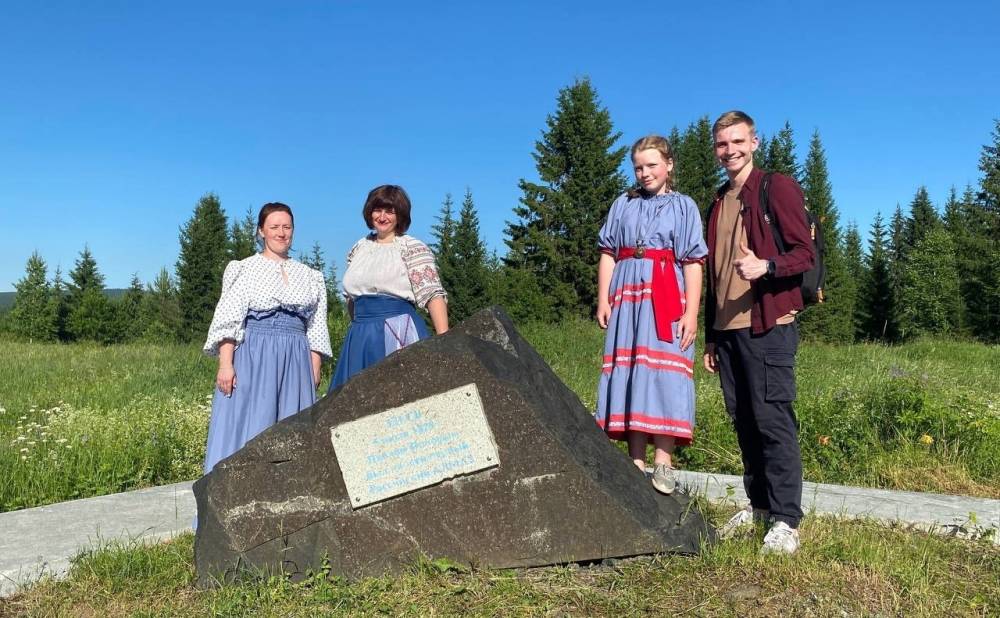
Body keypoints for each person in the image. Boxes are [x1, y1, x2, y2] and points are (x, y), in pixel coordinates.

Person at [703, 111, 815, 555]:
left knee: (773, 422)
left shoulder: (776, 187)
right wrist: (711, 334)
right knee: (745, 422)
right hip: (728, 329)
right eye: (721, 144)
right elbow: (712, 273)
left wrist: (767, 266)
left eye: (736, 142)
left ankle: (787, 519)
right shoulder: (718, 200)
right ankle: (760, 507)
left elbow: (804, 253)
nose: (729, 151)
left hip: (768, 323)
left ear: (753, 142)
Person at [594, 135, 707, 495]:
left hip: (666, 295)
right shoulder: (622, 204)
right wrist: (603, 298)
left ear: (669, 165)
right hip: (627, 296)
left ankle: (664, 463)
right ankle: (635, 462)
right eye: (639, 167)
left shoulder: (684, 206)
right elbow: (608, 252)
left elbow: (692, 261)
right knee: (631, 372)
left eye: (652, 165)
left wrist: (691, 311)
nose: (645, 173)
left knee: (664, 373)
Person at [202, 202, 332, 474]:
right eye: (274, 227)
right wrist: (226, 364)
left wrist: (314, 365)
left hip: (296, 356)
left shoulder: (310, 276)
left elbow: (317, 324)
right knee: (248, 425)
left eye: (287, 227)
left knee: (291, 428)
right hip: (255, 352)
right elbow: (230, 317)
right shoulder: (244, 268)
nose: (281, 233)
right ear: (261, 231)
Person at [328, 185, 448, 392]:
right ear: (369, 212)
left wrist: (445, 342)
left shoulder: (412, 247)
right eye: (378, 210)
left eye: (390, 211)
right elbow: (351, 297)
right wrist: (357, 328)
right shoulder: (359, 248)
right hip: (360, 334)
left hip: (398, 330)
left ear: (400, 215)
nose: (382, 216)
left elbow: (432, 295)